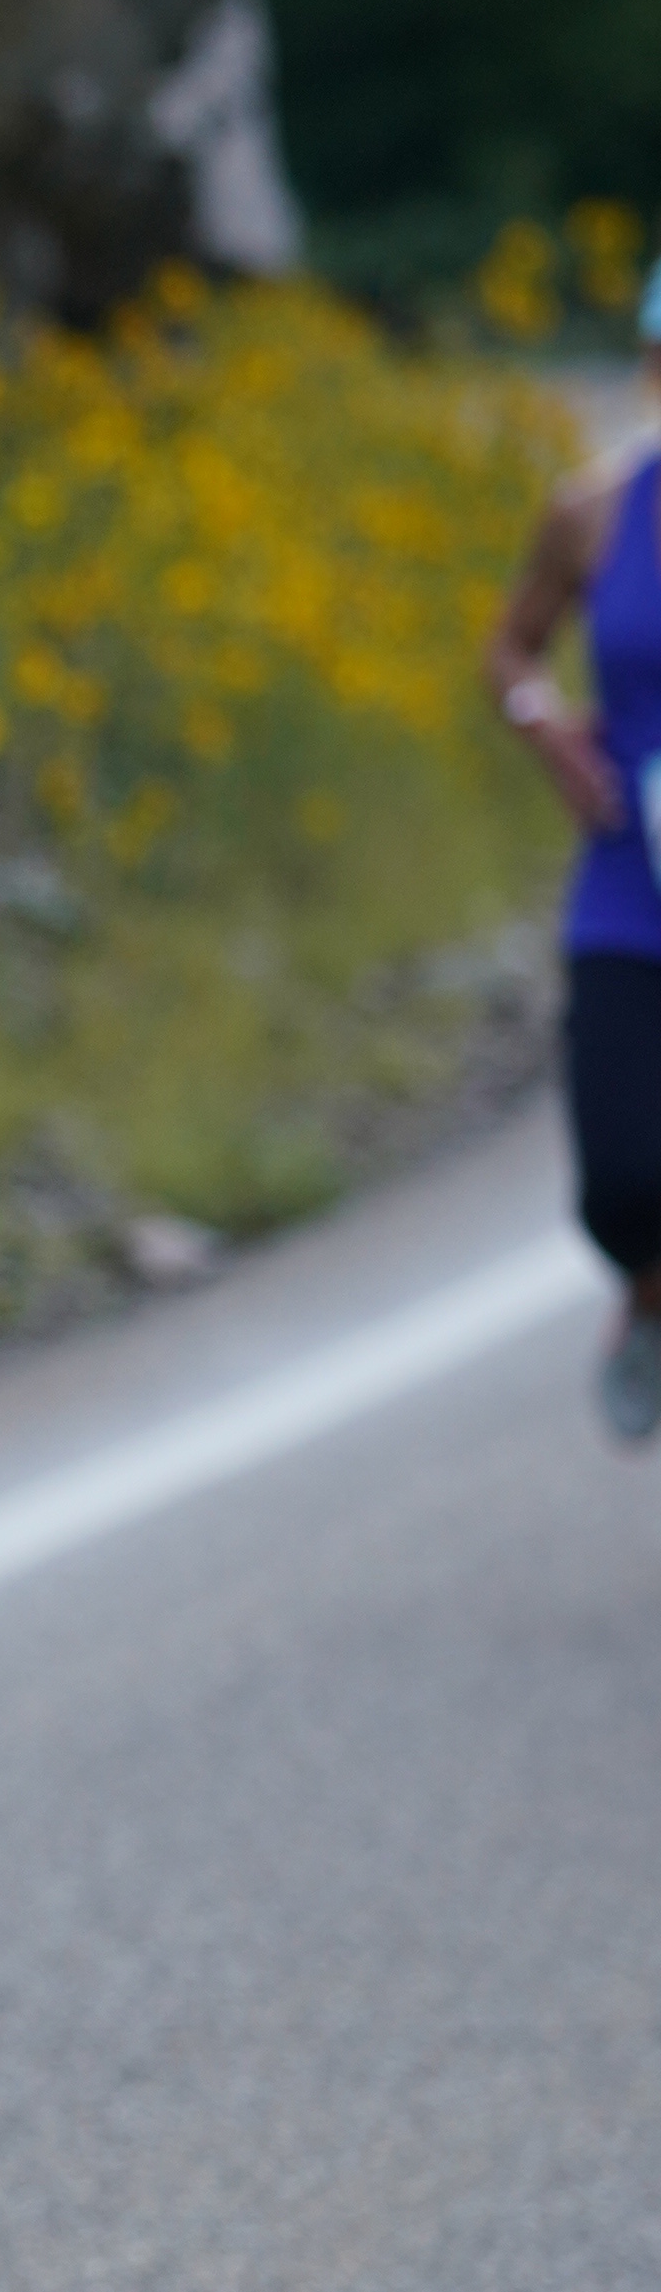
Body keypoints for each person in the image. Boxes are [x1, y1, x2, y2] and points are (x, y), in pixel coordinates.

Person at [481, 256, 661, 1438]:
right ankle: (647, 1296)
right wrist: (542, 721)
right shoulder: (593, 510)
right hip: (631, 888)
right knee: (622, 1182)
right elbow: (510, 650)